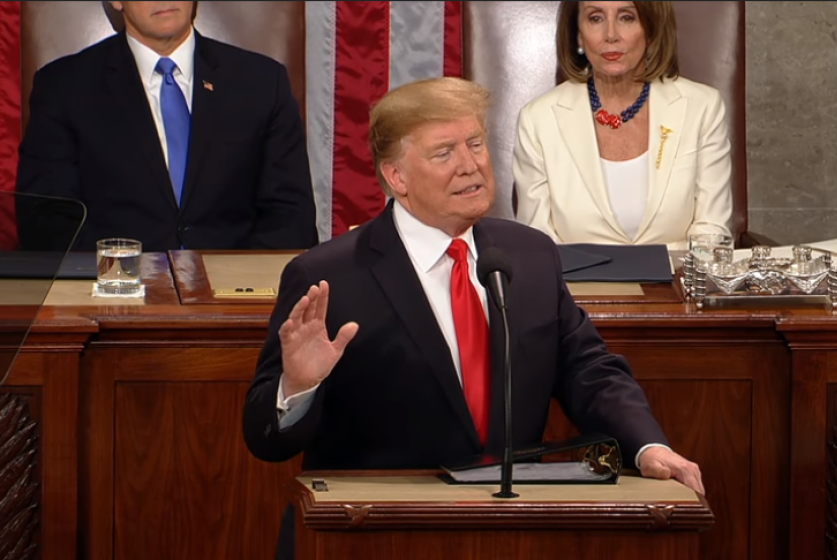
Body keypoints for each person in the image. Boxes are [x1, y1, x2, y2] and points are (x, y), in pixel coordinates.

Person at [244, 76, 703, 512]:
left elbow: (589, 370)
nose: (470, 164)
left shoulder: (530, 255)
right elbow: (265, 440)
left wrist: (646, 445)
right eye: (444, 152)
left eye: (476, 144)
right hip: (383, 531)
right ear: (397, 177)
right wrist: (298, 387)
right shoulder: (330, 276)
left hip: (511, 527)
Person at [15, 1, 318, 252]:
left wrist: (239, 287)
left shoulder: (263, 83)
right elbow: (47, 220)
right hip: (114, 304)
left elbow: (291, 217)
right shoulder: (64, 88)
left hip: (237, 305)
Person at [512, 1, 733, 251]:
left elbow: (712, 230)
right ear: (578, 35)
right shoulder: (538, 120)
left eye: (627, 17)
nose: (611, 35)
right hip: (578, 287)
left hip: (676, 284)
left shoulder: (702, 108)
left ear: (650, 29)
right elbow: (539, 245)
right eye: (596, 18)